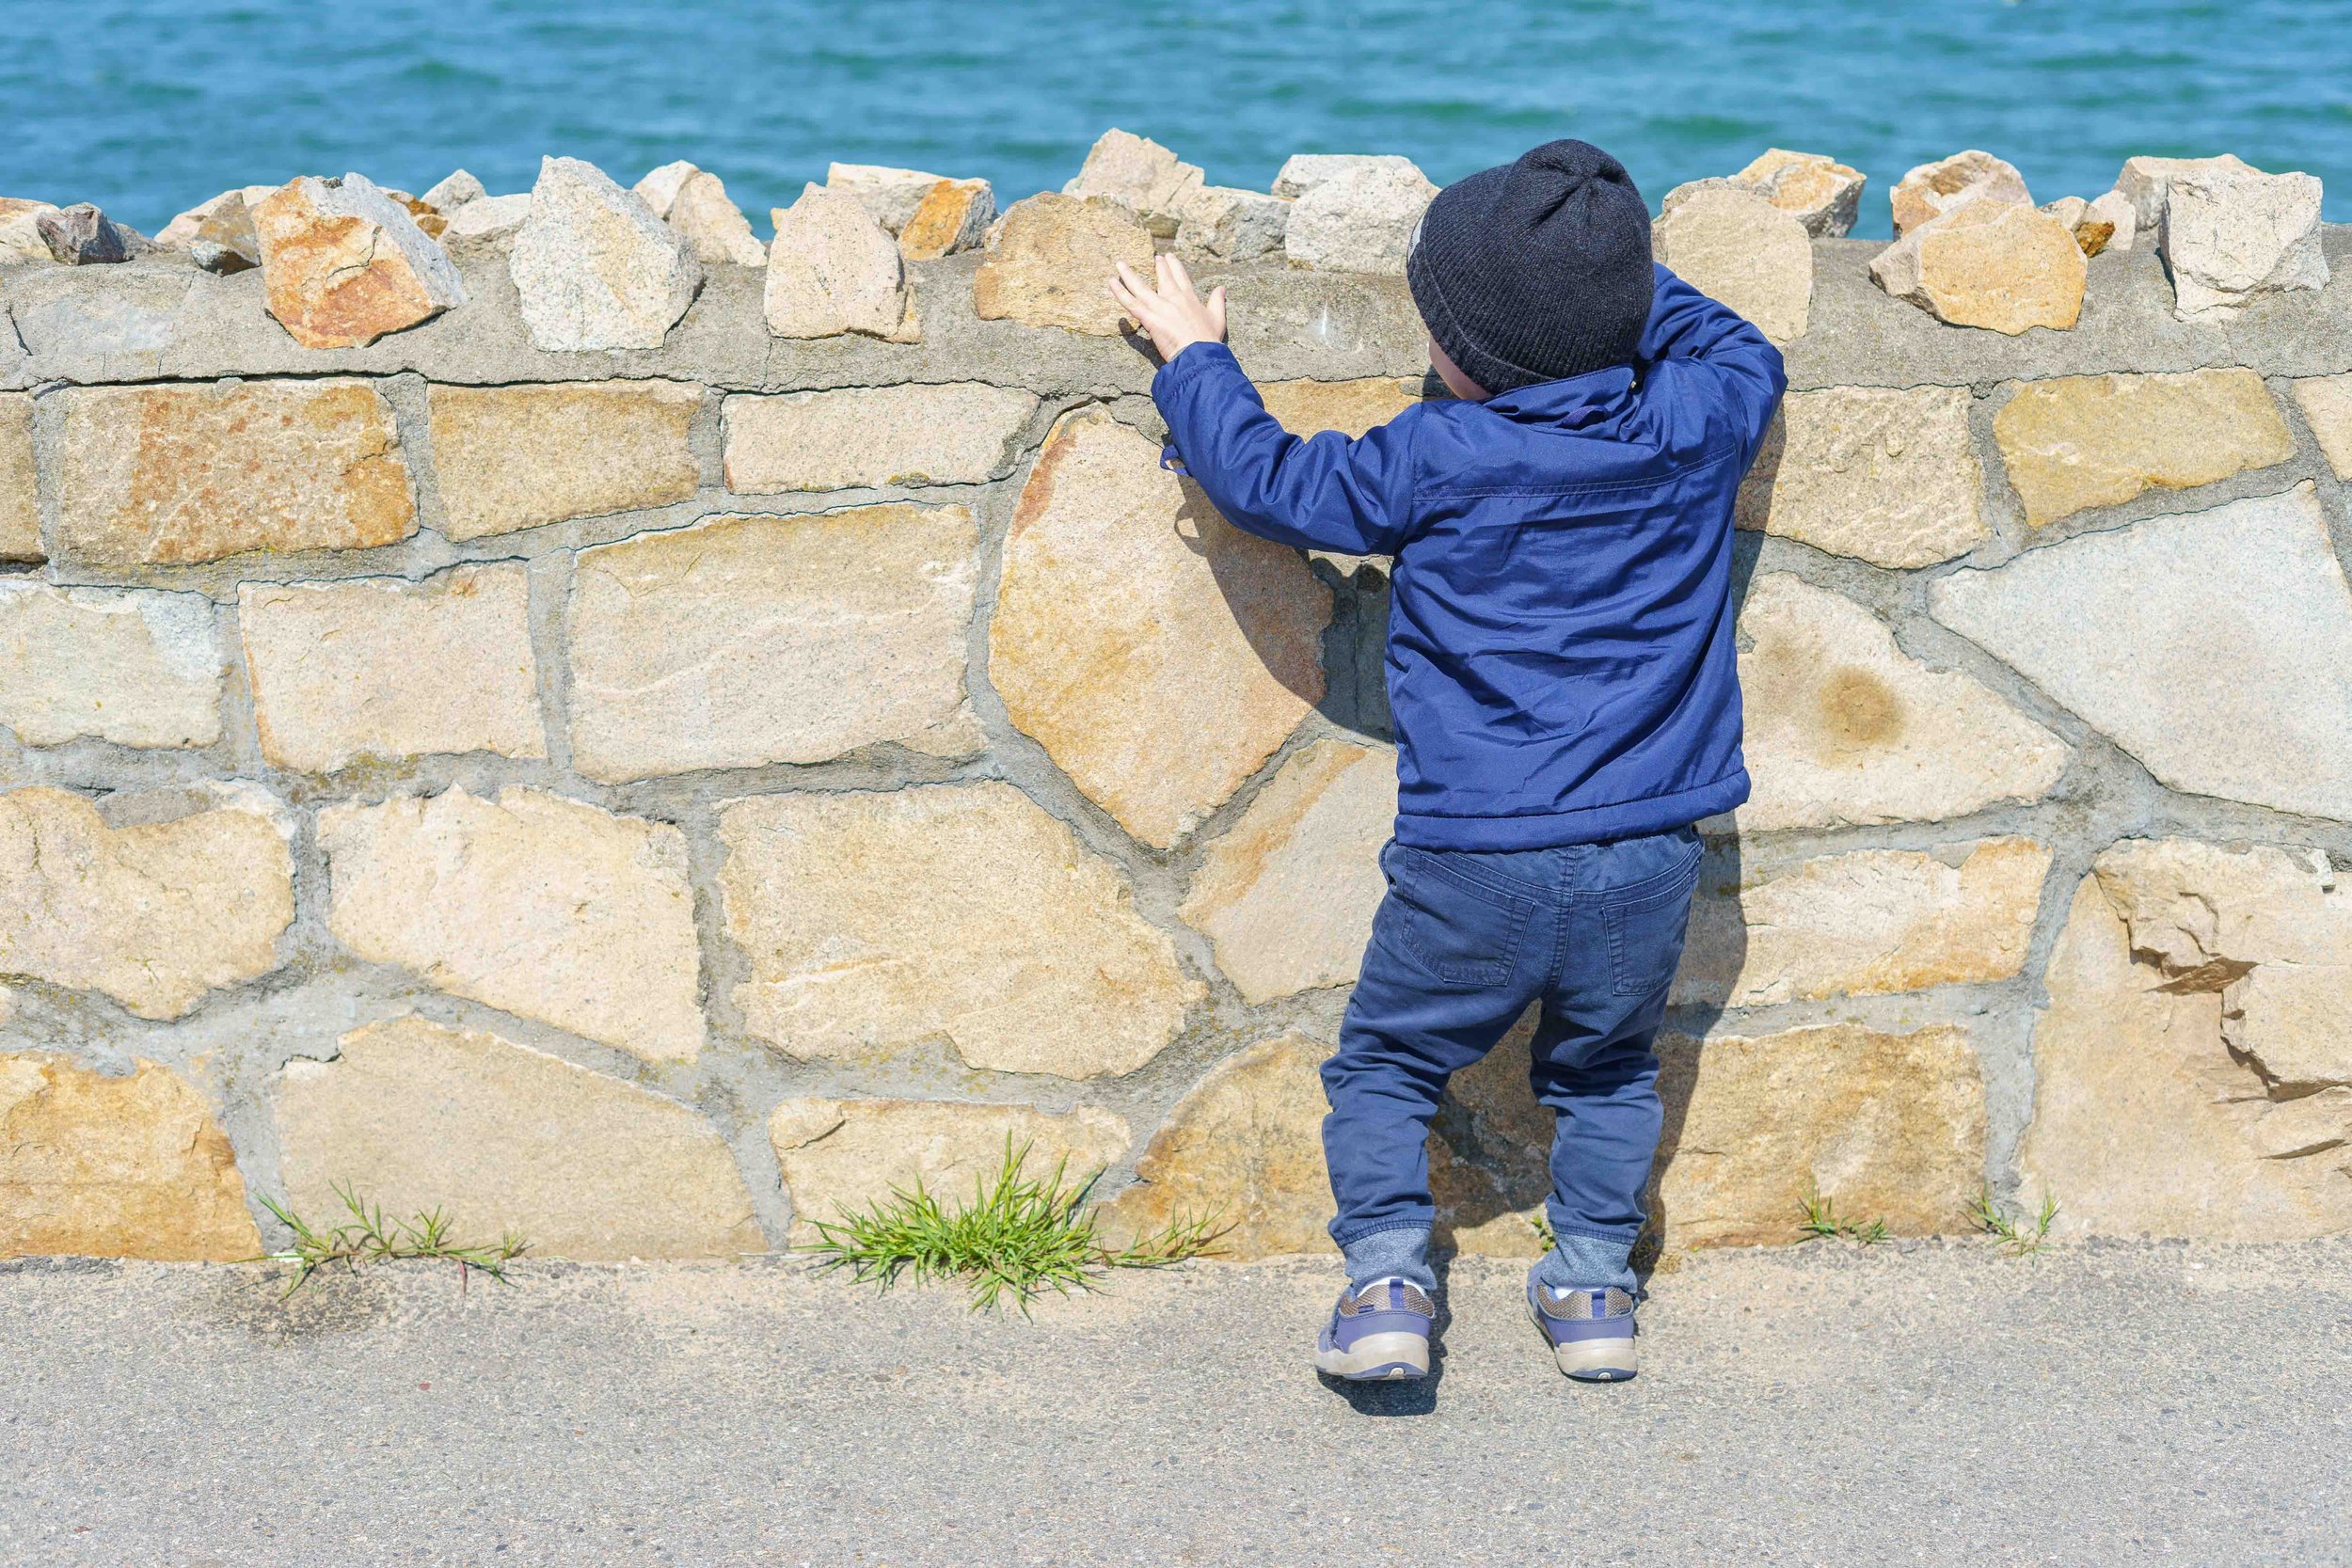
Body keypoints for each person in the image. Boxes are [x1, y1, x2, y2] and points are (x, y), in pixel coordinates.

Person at [1111, 138, 1784, 1385]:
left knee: (1385, 1064)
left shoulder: (1437, 456)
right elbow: (1747, 350)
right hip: (1648, 854)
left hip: (1472, 857)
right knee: (1608, 1072)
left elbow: (1267, 481)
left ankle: (1386, 1285)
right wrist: (1607, 278)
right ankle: (1593, 1289)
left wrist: (1196, 360)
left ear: (1459, 352)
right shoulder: (1696, 424)